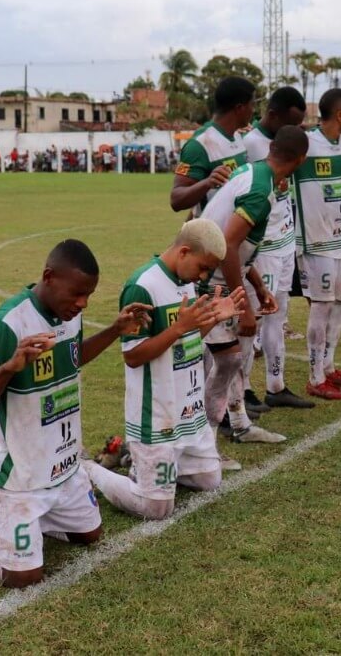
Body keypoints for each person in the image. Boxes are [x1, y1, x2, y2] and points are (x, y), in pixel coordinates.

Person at [0, 240, 153, 588]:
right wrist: (10, 366)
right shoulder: (6, 325)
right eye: (77, 293)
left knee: (89, 535)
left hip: (62, 466)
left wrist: (115, 330)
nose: (83, 303)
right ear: (49, 277)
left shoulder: (69, 314)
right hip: (17, 475)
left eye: (88, 295)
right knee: (22, 576)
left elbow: (72, 357)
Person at [84, 221, 245, 520]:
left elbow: (186, 340)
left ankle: (136, 460)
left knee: (210, 480)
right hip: (156, 416)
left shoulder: (186, 281)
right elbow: (133, 356)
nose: (203, 277)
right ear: (184, 252)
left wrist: (212, 320)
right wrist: (179, 327)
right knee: (156, 508)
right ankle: (88, 468)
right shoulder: (142, 286)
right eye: (203, 268)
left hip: (187, 411)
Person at [200, 125, 308, 444]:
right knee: (224, 360)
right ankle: (205, 441)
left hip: (214, 278)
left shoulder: (252, 172)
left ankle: (239, 424)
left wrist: (259, 287)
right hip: (209, 284)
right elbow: (228, 245)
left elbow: (239, 248)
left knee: (233, 357)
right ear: (300, 160)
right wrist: (244, 305)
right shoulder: (260, 191)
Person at [241, 87, 315, 410]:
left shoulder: (285, 144)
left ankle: (276, 385)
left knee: (278, 316)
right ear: (272, 115)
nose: (294, 130)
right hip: (263, 248)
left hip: (284, 242)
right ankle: (243, 390)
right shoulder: (250, 145)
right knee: (254, 320)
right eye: (291, 123)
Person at [292, 88, 341, 400]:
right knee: (321, 307)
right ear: (340, 114)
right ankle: (314, 377)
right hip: (316, 242)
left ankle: (329, 366)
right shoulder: (306, 143)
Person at [170, 77, 254, 217]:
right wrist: (207, 183)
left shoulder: (238, 136)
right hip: (213, 230)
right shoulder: (200, 144)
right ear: (239, 108)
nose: (253, 110)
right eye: (252, 105)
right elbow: (176, 200)